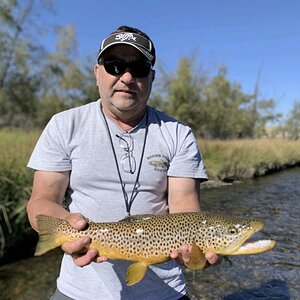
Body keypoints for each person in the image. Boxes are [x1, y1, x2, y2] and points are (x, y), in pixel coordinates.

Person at [26, 25, 219, 300]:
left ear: (151, 77)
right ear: (97, 73)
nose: (127, 77)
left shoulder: (178, 134)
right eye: (114, 66)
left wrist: (195, 253)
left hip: (165, 292)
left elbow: (185, 209)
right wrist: (68, 228)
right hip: (78, 291)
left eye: (138, 68)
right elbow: (41, 200)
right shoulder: (64, 125)